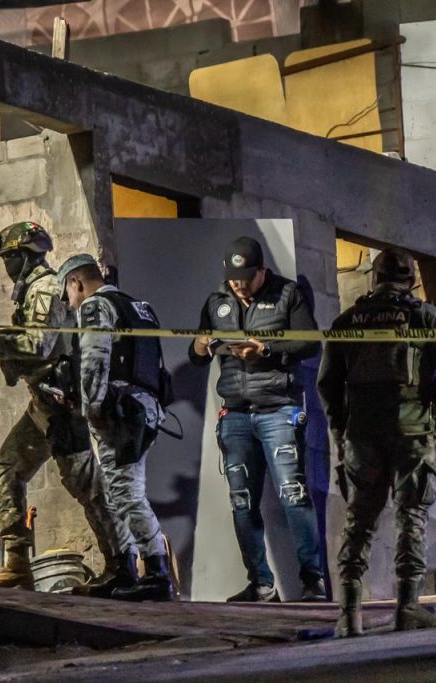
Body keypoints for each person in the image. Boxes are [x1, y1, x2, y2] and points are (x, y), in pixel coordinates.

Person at [0, 223, 137, 594]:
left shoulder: (44, 289)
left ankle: (124, 564)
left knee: (88, 487)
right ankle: (17, 564)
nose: (6, 264)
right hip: (43, 404)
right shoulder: (32, 290)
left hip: (62, 407)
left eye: (9, 257)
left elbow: (38, 345)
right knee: (4, 470)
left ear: (23, 256)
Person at [317, 247, 436, 637]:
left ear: (375, 277)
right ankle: (408, 606)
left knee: (359, 520)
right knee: (412, 517)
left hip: (362, 436)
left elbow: (328, 385)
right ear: (411, 280)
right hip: (412, 434)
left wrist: (341, 430)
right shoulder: (425, 317)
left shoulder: (348, 321)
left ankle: (348, 614)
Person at [189, 236, 325, 603]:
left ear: (262, 270)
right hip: (234, 413)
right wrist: (200, 347)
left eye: (247, 276)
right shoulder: (217, 301)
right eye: (234, 277)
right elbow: (199, 354)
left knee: (294, 496)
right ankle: (262, 585)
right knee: (241, 500)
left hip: (279, 408)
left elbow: (310, 343)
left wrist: (265, 348)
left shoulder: (287, 295)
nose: (240, 283)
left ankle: (313, 583)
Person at [58, 253, 175, 602]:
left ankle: (156, 572)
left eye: (69, 294)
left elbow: (95, 363)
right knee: (119, 492)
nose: (71, 303)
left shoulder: (95, 307)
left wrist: (90, 408)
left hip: (120, 415)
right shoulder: (138, 306)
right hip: (145, 409)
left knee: (125, 495)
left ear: (77, 282)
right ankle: (127, 570)